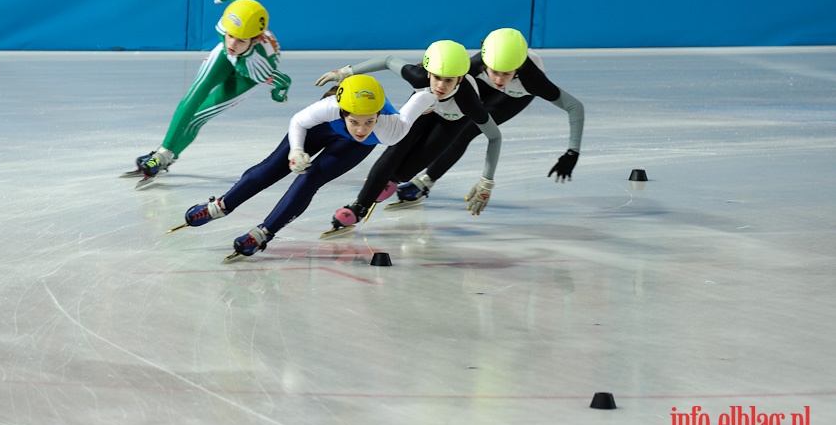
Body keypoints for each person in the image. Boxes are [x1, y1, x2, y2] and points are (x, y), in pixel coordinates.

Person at [179, 74, 436, 257]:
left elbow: (421, 99)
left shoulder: (392, 129)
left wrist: (433, 95)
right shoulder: (329, 108)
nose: (361, 129)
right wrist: (297, 150)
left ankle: (264, 233)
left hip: (351, 149)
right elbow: (298, 122)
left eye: (369, 122)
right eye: (355, 121)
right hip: (319, 130)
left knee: (310, 179)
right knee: (273, 167)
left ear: (378, 116)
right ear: (343, 111)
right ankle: (220, 206)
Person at [314, 39, 503, 230]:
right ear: (429, 72)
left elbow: (495, 137)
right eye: (437, 77)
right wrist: (347, 72)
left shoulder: (468, 100)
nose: (441, 86)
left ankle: (392, 182)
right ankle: (359, 208)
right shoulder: (419, 77)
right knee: (394, 152)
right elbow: (388, 60)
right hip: (422, 107)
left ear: (460, 79)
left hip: (452, 120)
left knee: (405, 172)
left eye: (449, 80)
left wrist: (487, 181)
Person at [394, 28, 584, 204]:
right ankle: (399, 168)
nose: (499, 80)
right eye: (495, 72)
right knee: (443, 117)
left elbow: (575, 106)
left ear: (517, 68)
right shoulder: (477, 65)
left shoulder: (533, 80)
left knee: (466, 130)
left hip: (515, 95)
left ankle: (424, 182)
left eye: (506, 74)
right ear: (486, 64)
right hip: (482, 83)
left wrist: (572, 152)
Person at [133, 0, 291, 179]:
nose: (232, 43)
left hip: (247, 76)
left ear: (255, 39)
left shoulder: (261, 66)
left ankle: (168, 156)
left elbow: (283, 80)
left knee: (199, 116)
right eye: (230, 35)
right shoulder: (232, 25)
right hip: (226, 58)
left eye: (240, 40)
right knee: (193, 97)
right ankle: (162, 153)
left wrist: (279, 92)